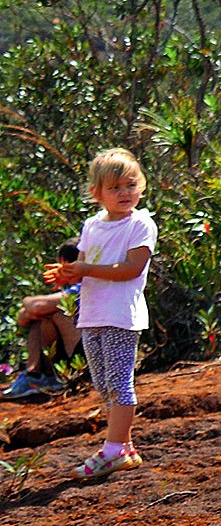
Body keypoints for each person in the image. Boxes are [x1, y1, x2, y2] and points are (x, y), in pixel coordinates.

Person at [43, 148, 157, 479]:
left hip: (121, 314)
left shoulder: (141, 224)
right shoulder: (92, 225)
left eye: (130, 184)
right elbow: (86, 269)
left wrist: (85, 268)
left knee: (119, 385)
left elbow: (132, 269)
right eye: (115, 187)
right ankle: (123, 447)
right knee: (103, 383)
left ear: (141, 186)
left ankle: (111, 451)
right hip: (92, 314)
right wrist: (68, 274)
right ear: (97, 193)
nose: (124, 193)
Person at [4, 286, 81, 401]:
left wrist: (27, 300)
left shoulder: (89, 286)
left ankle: (75, 377)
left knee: (55, 314)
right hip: (70, 355)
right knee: (45, 316)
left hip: (86, 353)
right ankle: (37, 376)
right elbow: (22, 317)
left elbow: (37, 306)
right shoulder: (79, 285)